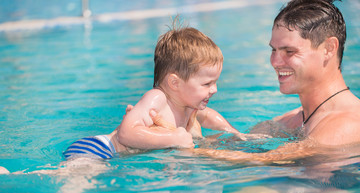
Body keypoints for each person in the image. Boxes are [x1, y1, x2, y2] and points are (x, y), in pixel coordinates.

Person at [153, 0, 360, 162]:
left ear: (328, 49)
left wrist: (184, 145)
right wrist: (169, 128)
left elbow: (264, 160)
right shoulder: (294, 120)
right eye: (273, 50)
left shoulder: (347, 123)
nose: (275, 62)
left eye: (289, 51)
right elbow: (238, 142)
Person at [63, 24, 258, 161]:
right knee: (80, 173)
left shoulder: (188, 108)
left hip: (113, 158)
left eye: (215, 82)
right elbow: (126, 133)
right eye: (207, 83)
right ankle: (71, 190)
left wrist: (234, 132)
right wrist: (174, 139)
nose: (214, 90)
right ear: (175, 83)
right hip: (99, 148)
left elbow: (209, 117)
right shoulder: (158, 98)